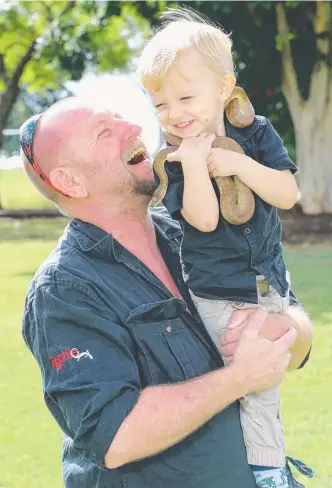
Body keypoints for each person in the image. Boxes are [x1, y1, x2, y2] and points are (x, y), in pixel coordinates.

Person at [20, 97, 312, 488]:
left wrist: (280, 327)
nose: (134, 129)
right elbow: (115, 435)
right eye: (105, 132)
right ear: (70, 181)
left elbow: (299, 333)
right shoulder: (64, 288)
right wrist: (239, 377)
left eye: (121, 117)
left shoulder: (194, 231)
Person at [137, 8, 314, 487]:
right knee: (254, 383)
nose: (174, 113)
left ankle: (255, 462)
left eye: (185, 97)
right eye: (160, 105)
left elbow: (286, 193)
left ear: (223, 87)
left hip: (270, 279)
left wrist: (236, 166)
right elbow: (205, 219)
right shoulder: (174, 160)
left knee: (266, 374)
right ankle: (268, 472)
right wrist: (195, 166)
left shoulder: (256, 134)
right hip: (219, 291)